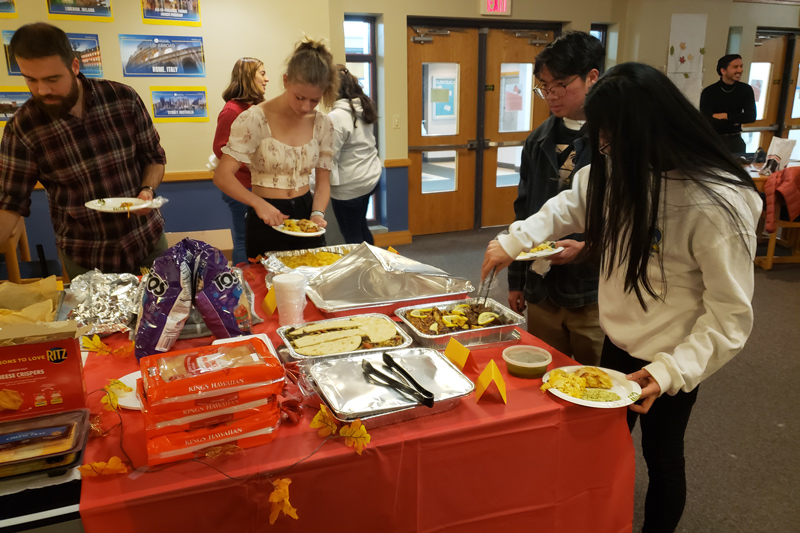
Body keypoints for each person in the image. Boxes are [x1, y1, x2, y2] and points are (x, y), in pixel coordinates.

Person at [481, 63, 761, 532]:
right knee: (601, 443)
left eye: (611, 140)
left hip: (670, 359)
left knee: (663, 457)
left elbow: (730, 317)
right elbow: (570, 203)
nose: (605, 150)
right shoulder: (620, 167)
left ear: (649, 129)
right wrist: (515, 241)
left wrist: (670, 371)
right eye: (602, 140)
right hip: (619, 343)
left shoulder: (717, 201)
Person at [0, 22, 167, 279]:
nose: (42, 90)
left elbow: (153, 157)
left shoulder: (122, 98)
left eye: (52, 79)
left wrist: (147, 190)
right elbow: (9, 202)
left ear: (74, 67)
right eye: (30, 80)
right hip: (86, 258)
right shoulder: (22, 128)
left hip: (146, 242)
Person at [507, 31, 605, 366]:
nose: (550, 95)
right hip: (542, 289)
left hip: (595, 293)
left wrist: (589, 248)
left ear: (593, 77)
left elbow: (632, 223)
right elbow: (525, 211)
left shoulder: (612, 141)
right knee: (546, 375)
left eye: (560, 84)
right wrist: (517, 281)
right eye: (544, 87)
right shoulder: (538, 140)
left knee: (598, 382)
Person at [213, 38, 337, 257]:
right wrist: (258, 204)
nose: (305, 107)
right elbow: (222, 176)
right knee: (266, 286)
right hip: (265, 212)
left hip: (305, 211)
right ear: (286, 81)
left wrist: (317, 213)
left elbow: (323, 180)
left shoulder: (323, 124)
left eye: (314, 100)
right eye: (299, 97)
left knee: (309, 281)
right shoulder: (254, 118)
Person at [212, 57, 268, 265]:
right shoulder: (232, 111)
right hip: (241, 187)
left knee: (257, 240)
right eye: (262, 73)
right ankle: (245, 286)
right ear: (247, 77)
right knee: (245, 241)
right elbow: (221, 149)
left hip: (256, 185)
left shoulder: (253, 109)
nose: (267, 79)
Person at [328, 65, 381, 245]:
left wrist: (315, 190)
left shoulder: (336, 117)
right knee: (361, 227)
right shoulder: (363, 107)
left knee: (352, 236)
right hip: (369, 178)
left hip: (349, 188)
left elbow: (329, 160)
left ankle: (363, 272)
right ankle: (374, 266)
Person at [700, 54, 757, 154]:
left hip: (735, 141)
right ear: (723, 71)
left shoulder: (745, 90)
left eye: (741, 66)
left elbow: (751, 117)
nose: (740, 70)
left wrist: (725, 116)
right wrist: (736, 120)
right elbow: (706, 120)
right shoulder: (709, 92)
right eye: (735, 67)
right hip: (714, 140)